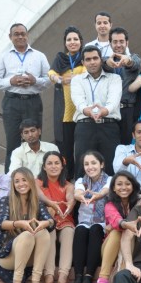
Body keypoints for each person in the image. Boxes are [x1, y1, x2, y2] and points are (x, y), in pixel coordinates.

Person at [0, 23, 50, 171]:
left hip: (33, 101)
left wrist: (35, 81)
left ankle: (36, 176)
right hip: (12, 102)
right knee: (13, 142)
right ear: (10, 37)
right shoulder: (4, 56)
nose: (20, 37)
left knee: (34, 141)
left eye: (23, 34)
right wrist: (10, 81)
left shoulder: (39, 56)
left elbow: (49, 80)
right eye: (16, 34)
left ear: (27, 35)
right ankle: (11, 179)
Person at [0, 167, 54, 283]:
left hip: (30, 256)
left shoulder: (37, 203)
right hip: (8, 256)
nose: (21, 184)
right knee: (27, 235)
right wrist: (19, 223)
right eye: (17, 181)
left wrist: (46, 223)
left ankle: (36, 282)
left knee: (43, 232)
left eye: (24, 180)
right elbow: (0, 223)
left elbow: (51, 220)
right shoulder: (6, 201)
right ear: (13, 184)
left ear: (31, 182)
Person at [91, 171, 141, 283]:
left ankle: (120, 281)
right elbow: (115, 220)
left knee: (128, 232)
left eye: (127, 184)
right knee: (117, 232)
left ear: (133, 186)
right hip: (110, 249)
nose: (123, 187)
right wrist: (125, 225)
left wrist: (127, 227)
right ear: (113, 188)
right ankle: (103, 279)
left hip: (134, 248)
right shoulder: (109, 204)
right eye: (119, 184)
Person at [70, 45, 122, 176]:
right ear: (83, 62)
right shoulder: (76, 80)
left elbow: (113, 101)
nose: (92, 62)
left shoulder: (114, 78)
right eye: (88, 59)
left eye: (95, 58)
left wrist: (103, 111)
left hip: (108, 126)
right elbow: (78, 101)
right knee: (83, 168)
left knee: (110, 167)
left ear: (101, 60)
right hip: (85, 126)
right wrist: (88, 111)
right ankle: (82, 190)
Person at [69, 151, 111, 283]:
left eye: (93, 163)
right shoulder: (81, 181)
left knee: (95, 229)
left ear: (102, 164)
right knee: (80, 230)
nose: (90, 167)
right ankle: (78, 276)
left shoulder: (110, 179)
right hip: (85, 221)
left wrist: (97, 195)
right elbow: (77, 192)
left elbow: (106, 190)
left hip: (102, 222)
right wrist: (81, 196)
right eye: (86, 164)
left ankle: (88, 276)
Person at [48, 26, 86, 179]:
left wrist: (74, 78)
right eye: (69, 39)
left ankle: (82, 180)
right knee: (66, 151)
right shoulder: (60, 58)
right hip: (66, 114)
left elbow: (88, 73)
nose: (72, 42)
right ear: (65, 43)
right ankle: (68, 180)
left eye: (75, 39)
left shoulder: (86, 57)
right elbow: (51, 73)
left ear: (80, 41)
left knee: (82, 150)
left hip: (82, 113)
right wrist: (59, 79)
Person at [36, 151, 75, 283]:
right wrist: (51, 204)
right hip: (46, 220)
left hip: (64, 219)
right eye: (50, 163)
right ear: (44, 167)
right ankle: (49, 276)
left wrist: (71, 202)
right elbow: (39, 195)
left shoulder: (69, 185)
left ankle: (63, 276)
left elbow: (70, 196)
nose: (53, 166)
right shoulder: (37, 182)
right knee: (49, 233)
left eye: (57, 163)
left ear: (62, 166)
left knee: (69, 232)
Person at [103, 27, 141, 145]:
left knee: (127, 146)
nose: (118, 45)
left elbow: (134, 64)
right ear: (110, 43)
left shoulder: (134, 57)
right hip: (110, 111)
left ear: (127, 43)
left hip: (128, 110)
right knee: (110, 146)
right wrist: (107, 63)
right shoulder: (105, 60)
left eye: (121, 41)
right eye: (115, 42)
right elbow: (103, 65)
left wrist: (127, 61)